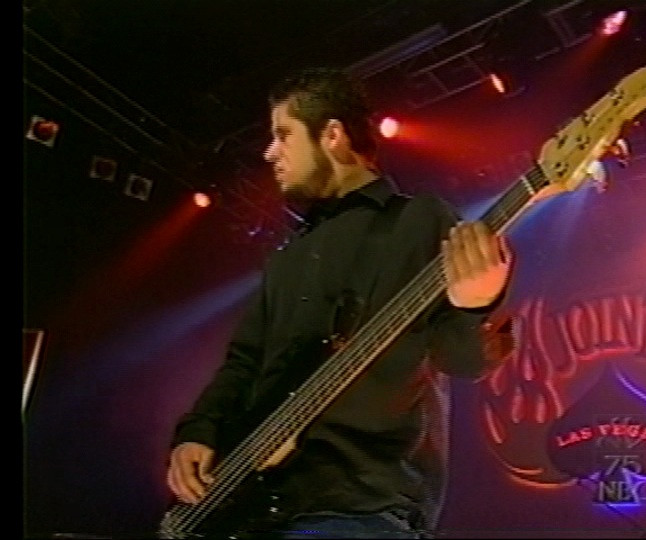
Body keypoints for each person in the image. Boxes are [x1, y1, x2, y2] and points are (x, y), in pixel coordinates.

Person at [165, 67, 514, 539]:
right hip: (258, 509)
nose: (270, 152)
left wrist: (478, 303)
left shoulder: (418, 220)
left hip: (362, 503)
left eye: (283, 134)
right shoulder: (288, 256)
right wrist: (199, 430)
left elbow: (463, 361)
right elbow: (244, 362)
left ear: (332, 135)